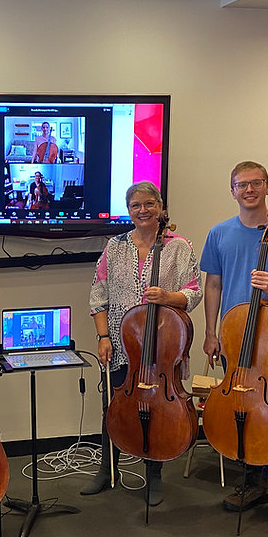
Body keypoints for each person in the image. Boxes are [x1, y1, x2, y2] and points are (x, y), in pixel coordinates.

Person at [200, 160, 268, 526]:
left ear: (267, 186)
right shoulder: (219, 233)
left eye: (255, 183)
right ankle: (252, 479)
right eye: (241, 184)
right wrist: (211, 331)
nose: (248, 190)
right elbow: (213, 284)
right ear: (232, 190)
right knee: (240, 403)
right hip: (234, 333)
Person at [84, 181, 202, 500]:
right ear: (129, 211)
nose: (143, 210)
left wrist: (168, 296)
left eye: (149, 204)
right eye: (136, 206)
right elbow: (98, 293)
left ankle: (154, 474)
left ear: (160, 207)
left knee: (158, 409)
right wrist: (103, 337)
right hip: (122, 345)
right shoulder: (115, 246)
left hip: (163, 346)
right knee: (114, 407)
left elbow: (194, 291)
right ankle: (108, 468)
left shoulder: (178, 246)